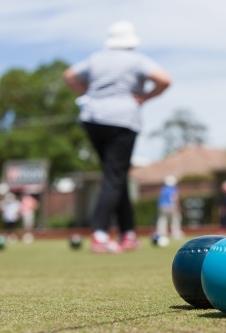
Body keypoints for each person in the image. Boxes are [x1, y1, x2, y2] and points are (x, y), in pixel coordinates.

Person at [63, 21, 171, 253]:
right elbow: (164, 80)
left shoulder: (96, 58)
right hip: (122, 119)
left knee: (116, 175)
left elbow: (69, 76)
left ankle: (127, 233)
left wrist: (90, 94)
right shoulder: (136, 60)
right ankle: (100, 234)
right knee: (115, 176)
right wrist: (144, 97)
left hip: (92, 118)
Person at [156, 175, 184, 239]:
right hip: (171, 205)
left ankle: (161, 233)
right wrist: (178, 206)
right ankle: (175, 232)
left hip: (162, 206)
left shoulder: (163, 188)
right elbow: (174, 197)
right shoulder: (173, 188)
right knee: (176, 218)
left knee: (162, 219)